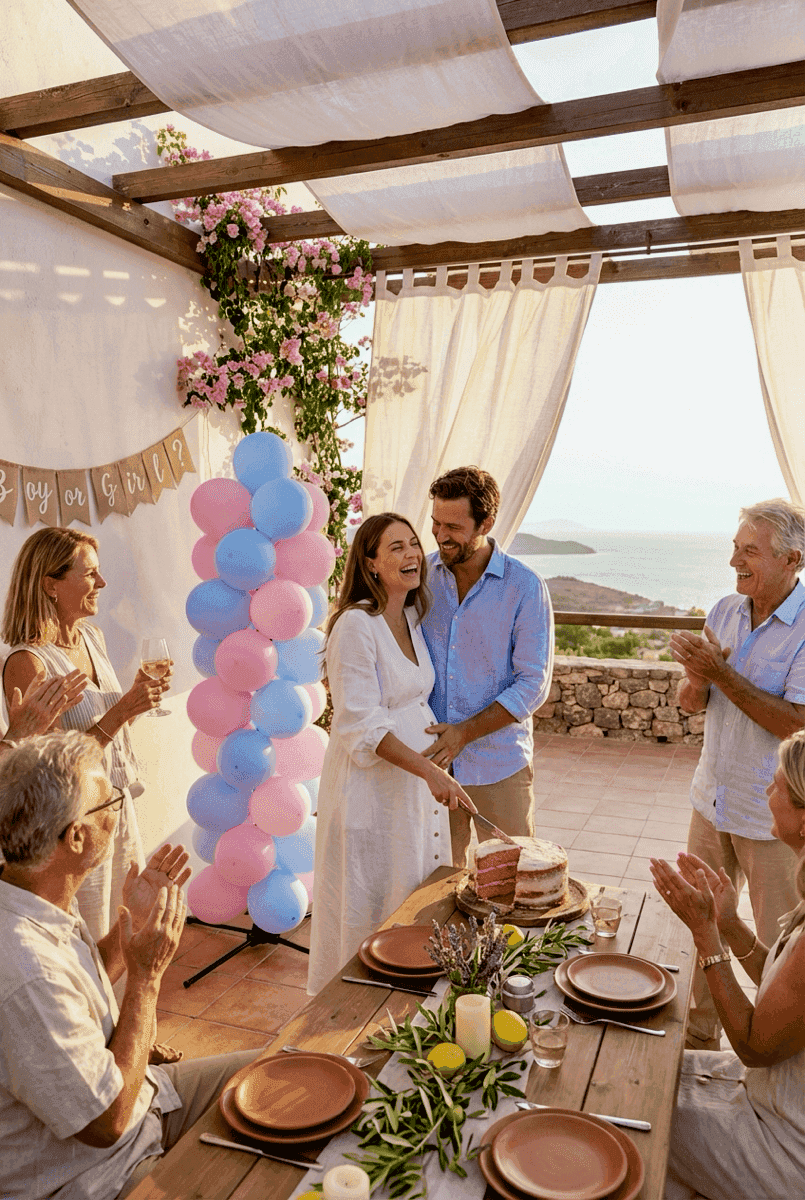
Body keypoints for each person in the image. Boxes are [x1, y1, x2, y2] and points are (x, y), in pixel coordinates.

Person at [0, 731, 257, 1200]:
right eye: (109, 803)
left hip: (150, 1098)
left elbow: (76, 984)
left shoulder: (31, 893)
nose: (118, 810)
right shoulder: (24, 969)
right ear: (75, 836)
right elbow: (108, 1121)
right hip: (97, 1174)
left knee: (281, 1072)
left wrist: (132, 927)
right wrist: (147, 977)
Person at [307, 513, 476, 995]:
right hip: (372, 788)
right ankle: (348, 1008)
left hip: (409, 787)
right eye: (395, 547)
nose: (410, 555)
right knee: (368, 899)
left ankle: (401, 999)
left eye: (413, 544)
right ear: (371, 562)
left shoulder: (409, 616)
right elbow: (361, 724)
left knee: (405, 894)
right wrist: (430, 771)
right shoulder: (355, 626)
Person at [670, 498, 805, 1050]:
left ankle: (772, 1058)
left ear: (792, 559)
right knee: (704, 926)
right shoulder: (725, 609)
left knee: (776, 951)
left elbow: (795, 722)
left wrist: (719, 672)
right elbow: (689, 703)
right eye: (735, 548)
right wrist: (697, 678)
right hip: (712, 800)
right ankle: (699, 1050)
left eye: (750, 551)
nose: (735, 562)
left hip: (769, 813)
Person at [650, 728, 805, 1200]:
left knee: (636, 1116)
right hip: (769, 1093)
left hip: (785, 1141)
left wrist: (705, 936)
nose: (767, 792)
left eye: (778, 786)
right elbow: (785, 996)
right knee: (654, 1067)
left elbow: (756, 1046)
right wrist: (730, 925)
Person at [2, 528, 171, 940]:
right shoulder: (29, 663)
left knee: (124, 930)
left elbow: (109, 737)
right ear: (50, 585)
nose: (103, 582)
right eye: (91, 573)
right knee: (91, 939)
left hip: (116, 810)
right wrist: (122, 710)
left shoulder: (92, 638)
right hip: (75, 828)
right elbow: (56, 774)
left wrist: (133, 703)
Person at [420, 466, 554, 868]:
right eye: (436, 523)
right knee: (438, 883)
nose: (442, 536)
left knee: (510, 882)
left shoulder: (525, 587)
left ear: (487, 523)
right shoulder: (419, 576)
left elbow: (533, 683)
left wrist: (465, 732)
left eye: (454, 527)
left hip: (500, 766)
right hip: (430, 765)